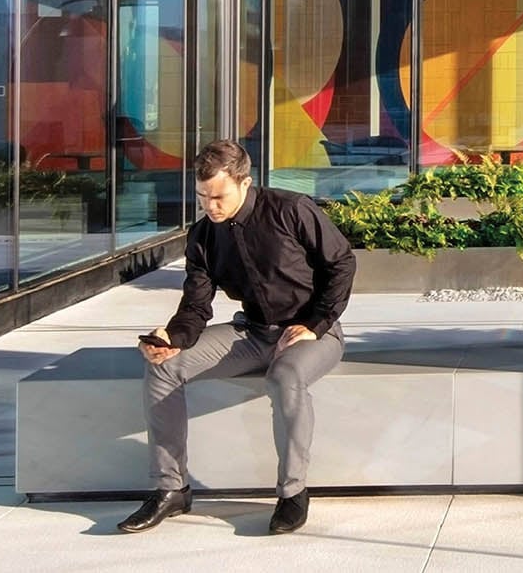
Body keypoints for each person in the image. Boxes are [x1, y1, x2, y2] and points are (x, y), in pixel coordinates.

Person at [117, 140, 355, 536]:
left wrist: (314, 324)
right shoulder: (203, 236)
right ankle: (171, 488)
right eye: (202, 197)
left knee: (284, 377)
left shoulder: (291, 209)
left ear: (245, 182)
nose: (210, 206)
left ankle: (293, 493)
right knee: (164, 366)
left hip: (315, 333)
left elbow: (342, 263)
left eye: (218, 196)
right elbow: (196, 305)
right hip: (253, 333)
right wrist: (171, 337)